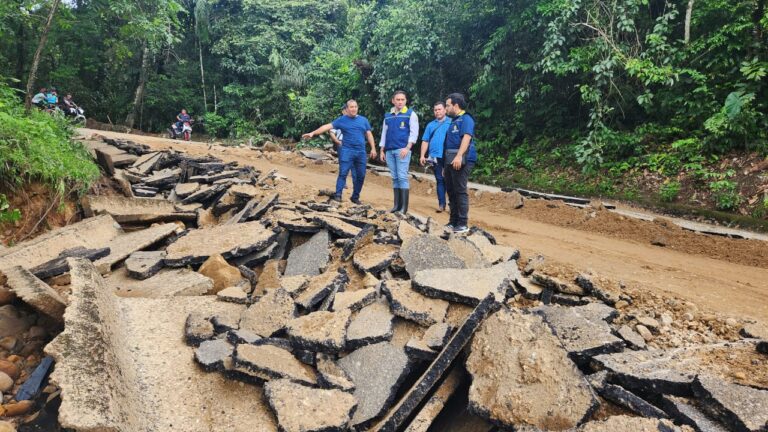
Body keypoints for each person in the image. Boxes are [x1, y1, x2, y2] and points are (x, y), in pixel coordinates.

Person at [302, 100, 377, 204]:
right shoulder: (342, 120)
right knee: (343, 173)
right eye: (351, 107)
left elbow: (369, 134)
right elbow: (326, 127)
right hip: (347, 150)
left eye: (355, 106)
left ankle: (355, 197)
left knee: (361, 175)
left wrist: (373, 148)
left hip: (361, 152)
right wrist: (312, 133)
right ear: (346, 109)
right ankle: (338, 195)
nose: (354, 109)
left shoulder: (363, 120)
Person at [443, 93, 478, 234]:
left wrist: (459, 156)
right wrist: (446, 165)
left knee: (460, 191)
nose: (446, 108)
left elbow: (466, 138)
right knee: (451, 191)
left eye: (447, 105)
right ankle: (453, 221)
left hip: (462, 160)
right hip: (450, 161)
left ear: (455, 105)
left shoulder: (466, 119)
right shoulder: (453, 121)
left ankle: (462, 223)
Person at [379, 90, 419, 213]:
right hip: (389, 151)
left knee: (402, 177)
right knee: (395, 177)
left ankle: (403, 208)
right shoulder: (388, 115)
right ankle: (396, 206)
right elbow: (384, 134)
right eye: (398, 99)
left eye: (402, 99)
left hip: (402, 150)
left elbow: (414, 132)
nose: (400, 102)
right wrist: (382, 149)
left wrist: (407, 148)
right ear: (393, 101)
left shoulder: (410, 114)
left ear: (406, 100)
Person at [419, 101, 451, 213]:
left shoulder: (451, 123)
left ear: (445, 110)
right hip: (435, 156)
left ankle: (453, 205)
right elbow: (425, 141)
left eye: (439, 109)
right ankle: (441, 205)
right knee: (440, 180)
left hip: (448, 156)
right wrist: (423, 155)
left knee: (450, 181)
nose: (437, 112)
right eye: (435, 110)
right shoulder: (430, 125)